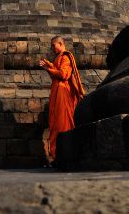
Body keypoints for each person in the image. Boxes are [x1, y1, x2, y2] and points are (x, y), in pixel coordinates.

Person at [39, 36, 85, 166]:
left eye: (54, 45)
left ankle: (65, 154)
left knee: (62, 123)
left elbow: (64, 74)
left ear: (60, 44)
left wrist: (49, 69)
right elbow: (56, 70)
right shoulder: (59, 58)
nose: (52, 48)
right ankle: (56, 155)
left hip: (63, 92)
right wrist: (49, 66)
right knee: (54, 123)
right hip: (57, 92)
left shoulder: (66, 57)